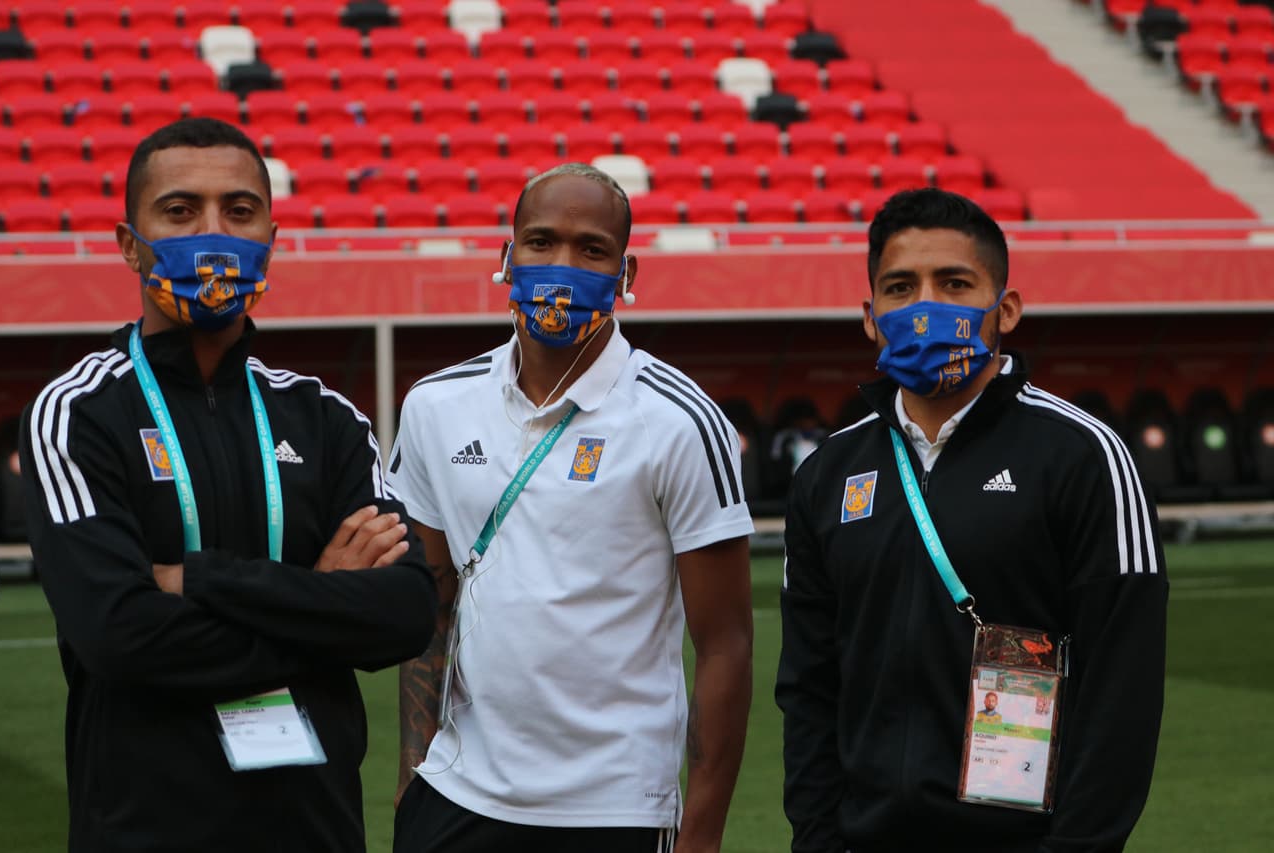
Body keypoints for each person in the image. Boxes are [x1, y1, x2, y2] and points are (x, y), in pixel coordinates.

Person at [18, 117, 438, 853]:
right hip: (144, 831)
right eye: (180, 211)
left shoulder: (326, 418)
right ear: (129, 243)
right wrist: (318, 597)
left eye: (239, 211)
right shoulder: (77, 412)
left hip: (314, 830)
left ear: (270, 238)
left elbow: (405, 611)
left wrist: (198, 580)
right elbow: (118, 635)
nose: (213, 232)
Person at [776, 188, 1167, 852]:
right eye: (901, 287)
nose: (926, 307)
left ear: (1005, 309)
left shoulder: (1085, 455)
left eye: (955, 283)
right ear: (871, 317)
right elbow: (809, 687)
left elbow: (1120, 694)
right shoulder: (826, 473)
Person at [388, 162, 755, 853]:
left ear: (626, 271)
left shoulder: (680, 420)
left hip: (613, 808)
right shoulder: (433, 405)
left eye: (591, 249)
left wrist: (702, 835)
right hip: (458, 797)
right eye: (540, 241)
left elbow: (726, 643)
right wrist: (414, 774)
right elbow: (432, 606)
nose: (562, 264)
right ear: (506, 256)